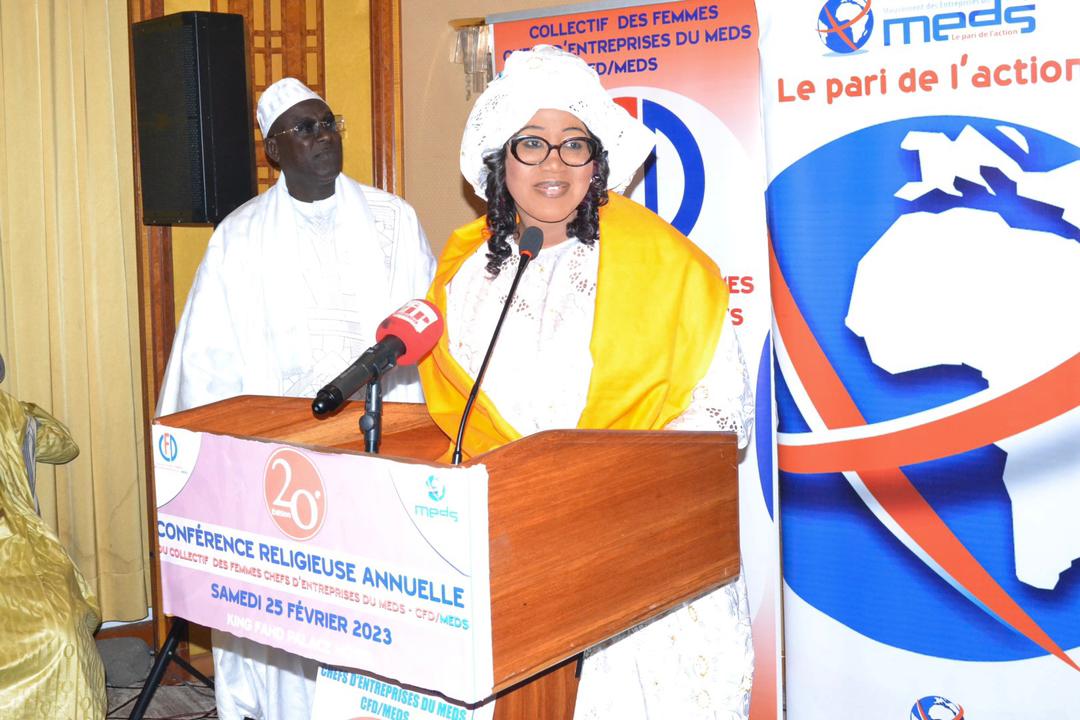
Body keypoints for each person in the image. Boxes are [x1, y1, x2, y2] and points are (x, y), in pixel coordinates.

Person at [419, 46, 754, 719]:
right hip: (507, 558)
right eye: (531, 144)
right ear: (500, 161)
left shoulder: (669, 266)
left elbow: (721, 423)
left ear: (598, 162)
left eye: (574, 145)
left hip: (645, 560)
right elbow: (446, 416)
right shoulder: (464, 273)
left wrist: (593, 493)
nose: (552, 164)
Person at [158, 77, 436, 720]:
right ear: (274, 151)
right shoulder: (239, 236)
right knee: (290, 624)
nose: (324, 137)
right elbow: (206, 363)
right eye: (305, 129)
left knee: (374, 615)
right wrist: (200, 471)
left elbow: (427, 327)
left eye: (328, 122)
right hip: (277, 464)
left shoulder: (393, 220)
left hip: (379, 451)